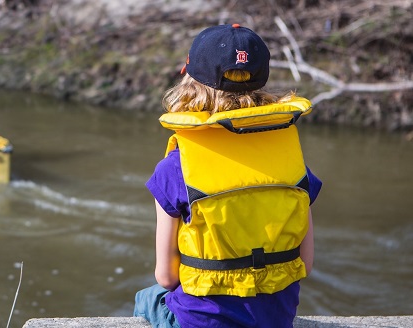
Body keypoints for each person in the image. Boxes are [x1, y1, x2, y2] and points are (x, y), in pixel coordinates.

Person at [133, 24, 323, 328]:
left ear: (190, 81)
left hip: (203, 321)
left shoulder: (175, 168)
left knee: (148, 298)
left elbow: (166, 277)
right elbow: (306, 263)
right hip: (275, 319)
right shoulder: (293, 163)